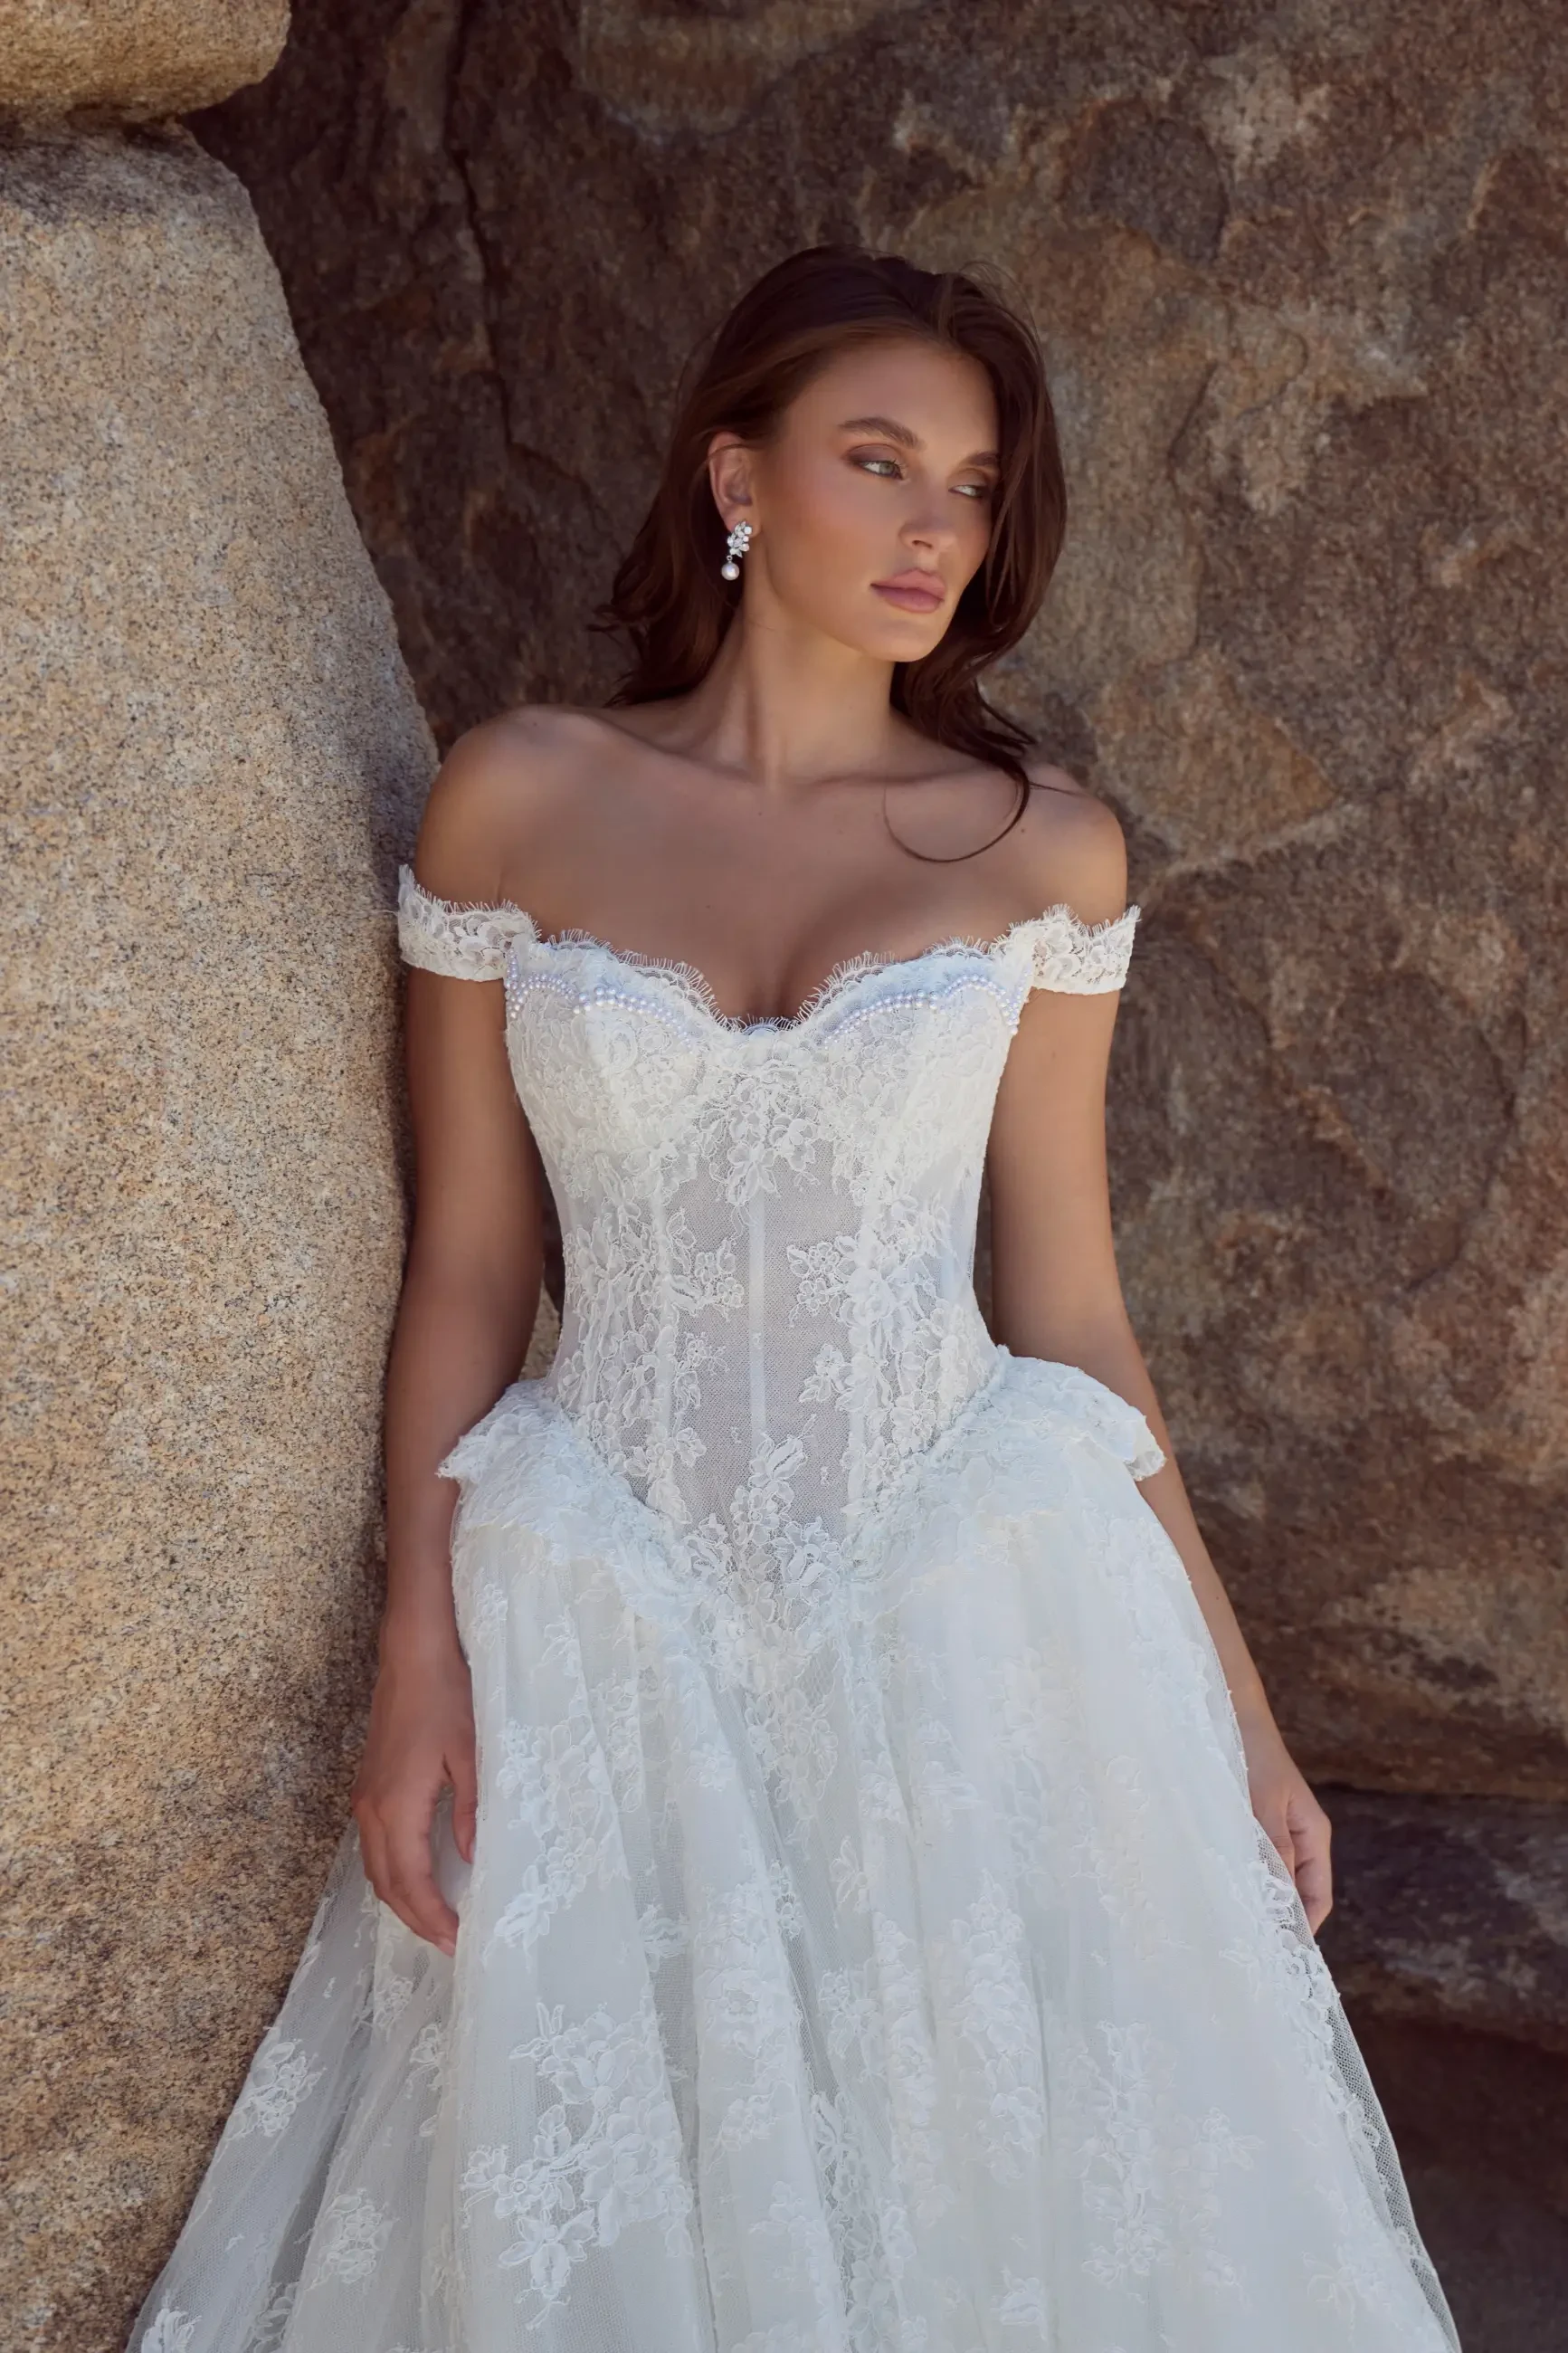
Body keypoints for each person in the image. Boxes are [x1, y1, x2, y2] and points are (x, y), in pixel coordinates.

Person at [127, 244, 1462, 2352]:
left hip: (966, 1604)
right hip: (600, 1597)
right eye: (878, 461)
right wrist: (415, 1649)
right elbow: (471, 1264)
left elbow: (1075, 1320)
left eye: (972, 482)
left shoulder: (1041, 856)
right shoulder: (517, 800)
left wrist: (1243, 1717)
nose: (937, 525)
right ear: (733, 474)